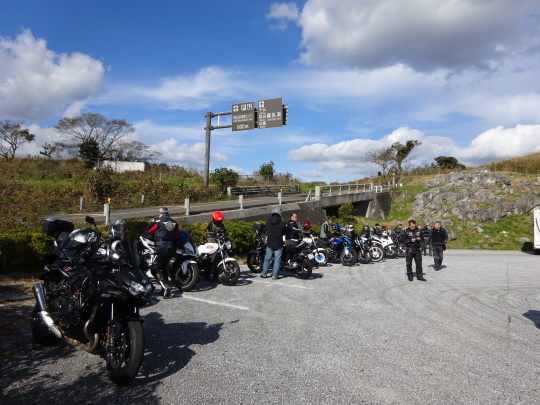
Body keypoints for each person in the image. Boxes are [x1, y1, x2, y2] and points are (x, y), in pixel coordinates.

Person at [144, 207, 180, 298]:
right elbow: (176, 238)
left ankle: (166, 286)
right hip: (170, 248)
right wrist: (174, 251)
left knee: (154, 268)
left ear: (159, 213)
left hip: (160, 247)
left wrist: (152, 223)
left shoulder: (158, 221)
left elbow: (148, 231)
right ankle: (164, 291)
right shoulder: (174, 223)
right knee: (164, 268)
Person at [261, 206, 286, 280]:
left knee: (267, 259)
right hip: (278, 243)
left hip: (270, 242)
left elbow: (266, 229)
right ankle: (274, 275)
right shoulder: (282, 223)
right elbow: (285, 232)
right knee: (277, 260)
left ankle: (264, 274)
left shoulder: (268, 222)